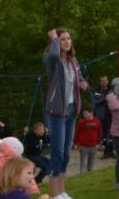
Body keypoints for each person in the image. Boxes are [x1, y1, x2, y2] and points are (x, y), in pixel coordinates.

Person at [43, 27, 87, 199]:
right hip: (57, 112)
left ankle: (62, 192)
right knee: (58, 154)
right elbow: (54, 55)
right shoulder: (52, 60)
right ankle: (55, 195)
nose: (67, 42)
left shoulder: (73, 61)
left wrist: (82, 82)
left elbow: (78, 77)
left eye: (68, 38)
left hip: (71, 111)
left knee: (67, 155)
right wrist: (54, 37)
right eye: (62, 39)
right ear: (56, 42)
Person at [91, 75, 114, 158]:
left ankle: (111, 152)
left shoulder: (112, 90)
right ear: (100, 82)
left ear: (107, 81)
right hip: (101, 116)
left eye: (105, 80)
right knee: (103, 134)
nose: (104, 82)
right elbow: (95, 101)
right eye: (102, 81)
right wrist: (105, 98)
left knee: (111, 134)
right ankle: (105, 152)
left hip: (111, 115)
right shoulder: (97, 91)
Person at [73, 108, 101, 173]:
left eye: (86, 113)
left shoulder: (97, 122)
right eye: (83, 114)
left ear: (91, 113)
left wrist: (98, 143)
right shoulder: (81, 122)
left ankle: (90, 174)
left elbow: (99, 133)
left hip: (93, 146)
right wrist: (75, 143)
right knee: (83, 163)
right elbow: (77, 132)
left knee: (91, 163)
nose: (84, 115)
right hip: (83, 146)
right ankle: (82, 175)